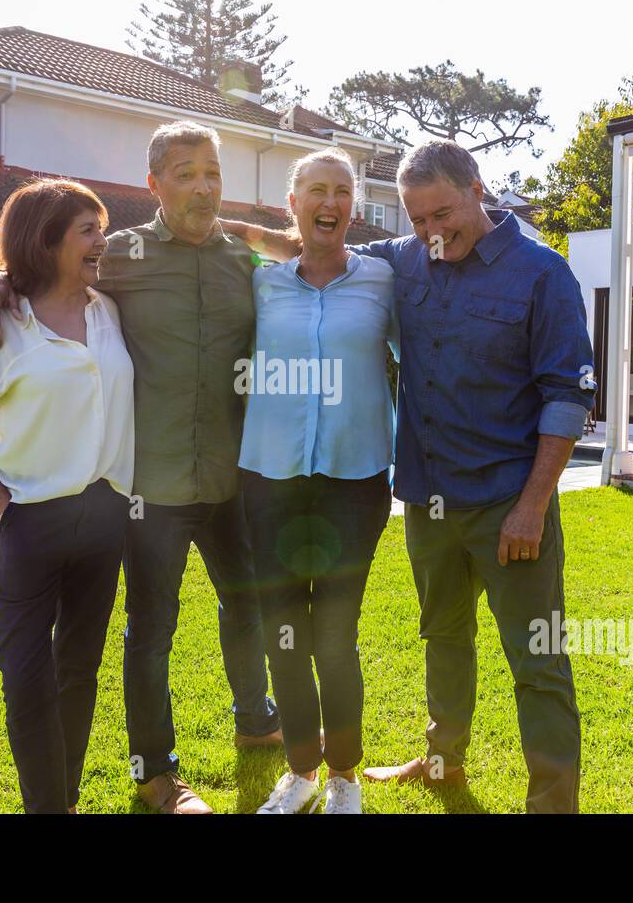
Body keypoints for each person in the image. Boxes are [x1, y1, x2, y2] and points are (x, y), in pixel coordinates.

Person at [228, 139, 595, 813]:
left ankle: (551, 802)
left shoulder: (542, 273)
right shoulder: (404, 259)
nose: (431, 233)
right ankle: (441, 760)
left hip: (510, 502)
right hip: (429, 500)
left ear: (478, 189)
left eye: (442, 214)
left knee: (537, 662)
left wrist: (533, 505)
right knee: (444, 638)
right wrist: (206, 232)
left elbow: (567, 395)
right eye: (416, 219)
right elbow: (314, 253)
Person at [0, 122, 280, 815]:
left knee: (247, 607)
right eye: (185, 173)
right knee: (149, 634)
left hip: (230, 478)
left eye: (213, 172)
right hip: (150, 491)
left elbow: (303, 271)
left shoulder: (242, 260)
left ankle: (258, 721)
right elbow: (39, 267)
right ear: (154, 185)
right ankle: (157, 774)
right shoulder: (121, 257)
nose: (202, 185)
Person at [0, 178, 134, 814]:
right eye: (87, 230)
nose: (101, 241)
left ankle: (64, 803)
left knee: (77, 674)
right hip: (28, 524)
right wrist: (8, 510)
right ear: (46, 239)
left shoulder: (110, 307)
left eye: (100, 227)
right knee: (27, 683)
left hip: (105, 519)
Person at [239, 148, 398, 815]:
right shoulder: (260, 285)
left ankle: (344, 777)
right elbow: (177, 250)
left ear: (354, 208)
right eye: (315, 192)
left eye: (341, 192)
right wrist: (3, 278)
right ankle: (300, 770)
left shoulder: (387, 282)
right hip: (270, 479)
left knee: (334, 635)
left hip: (353, 482)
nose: (329, 203)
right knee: (284, 631)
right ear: (292, 205)